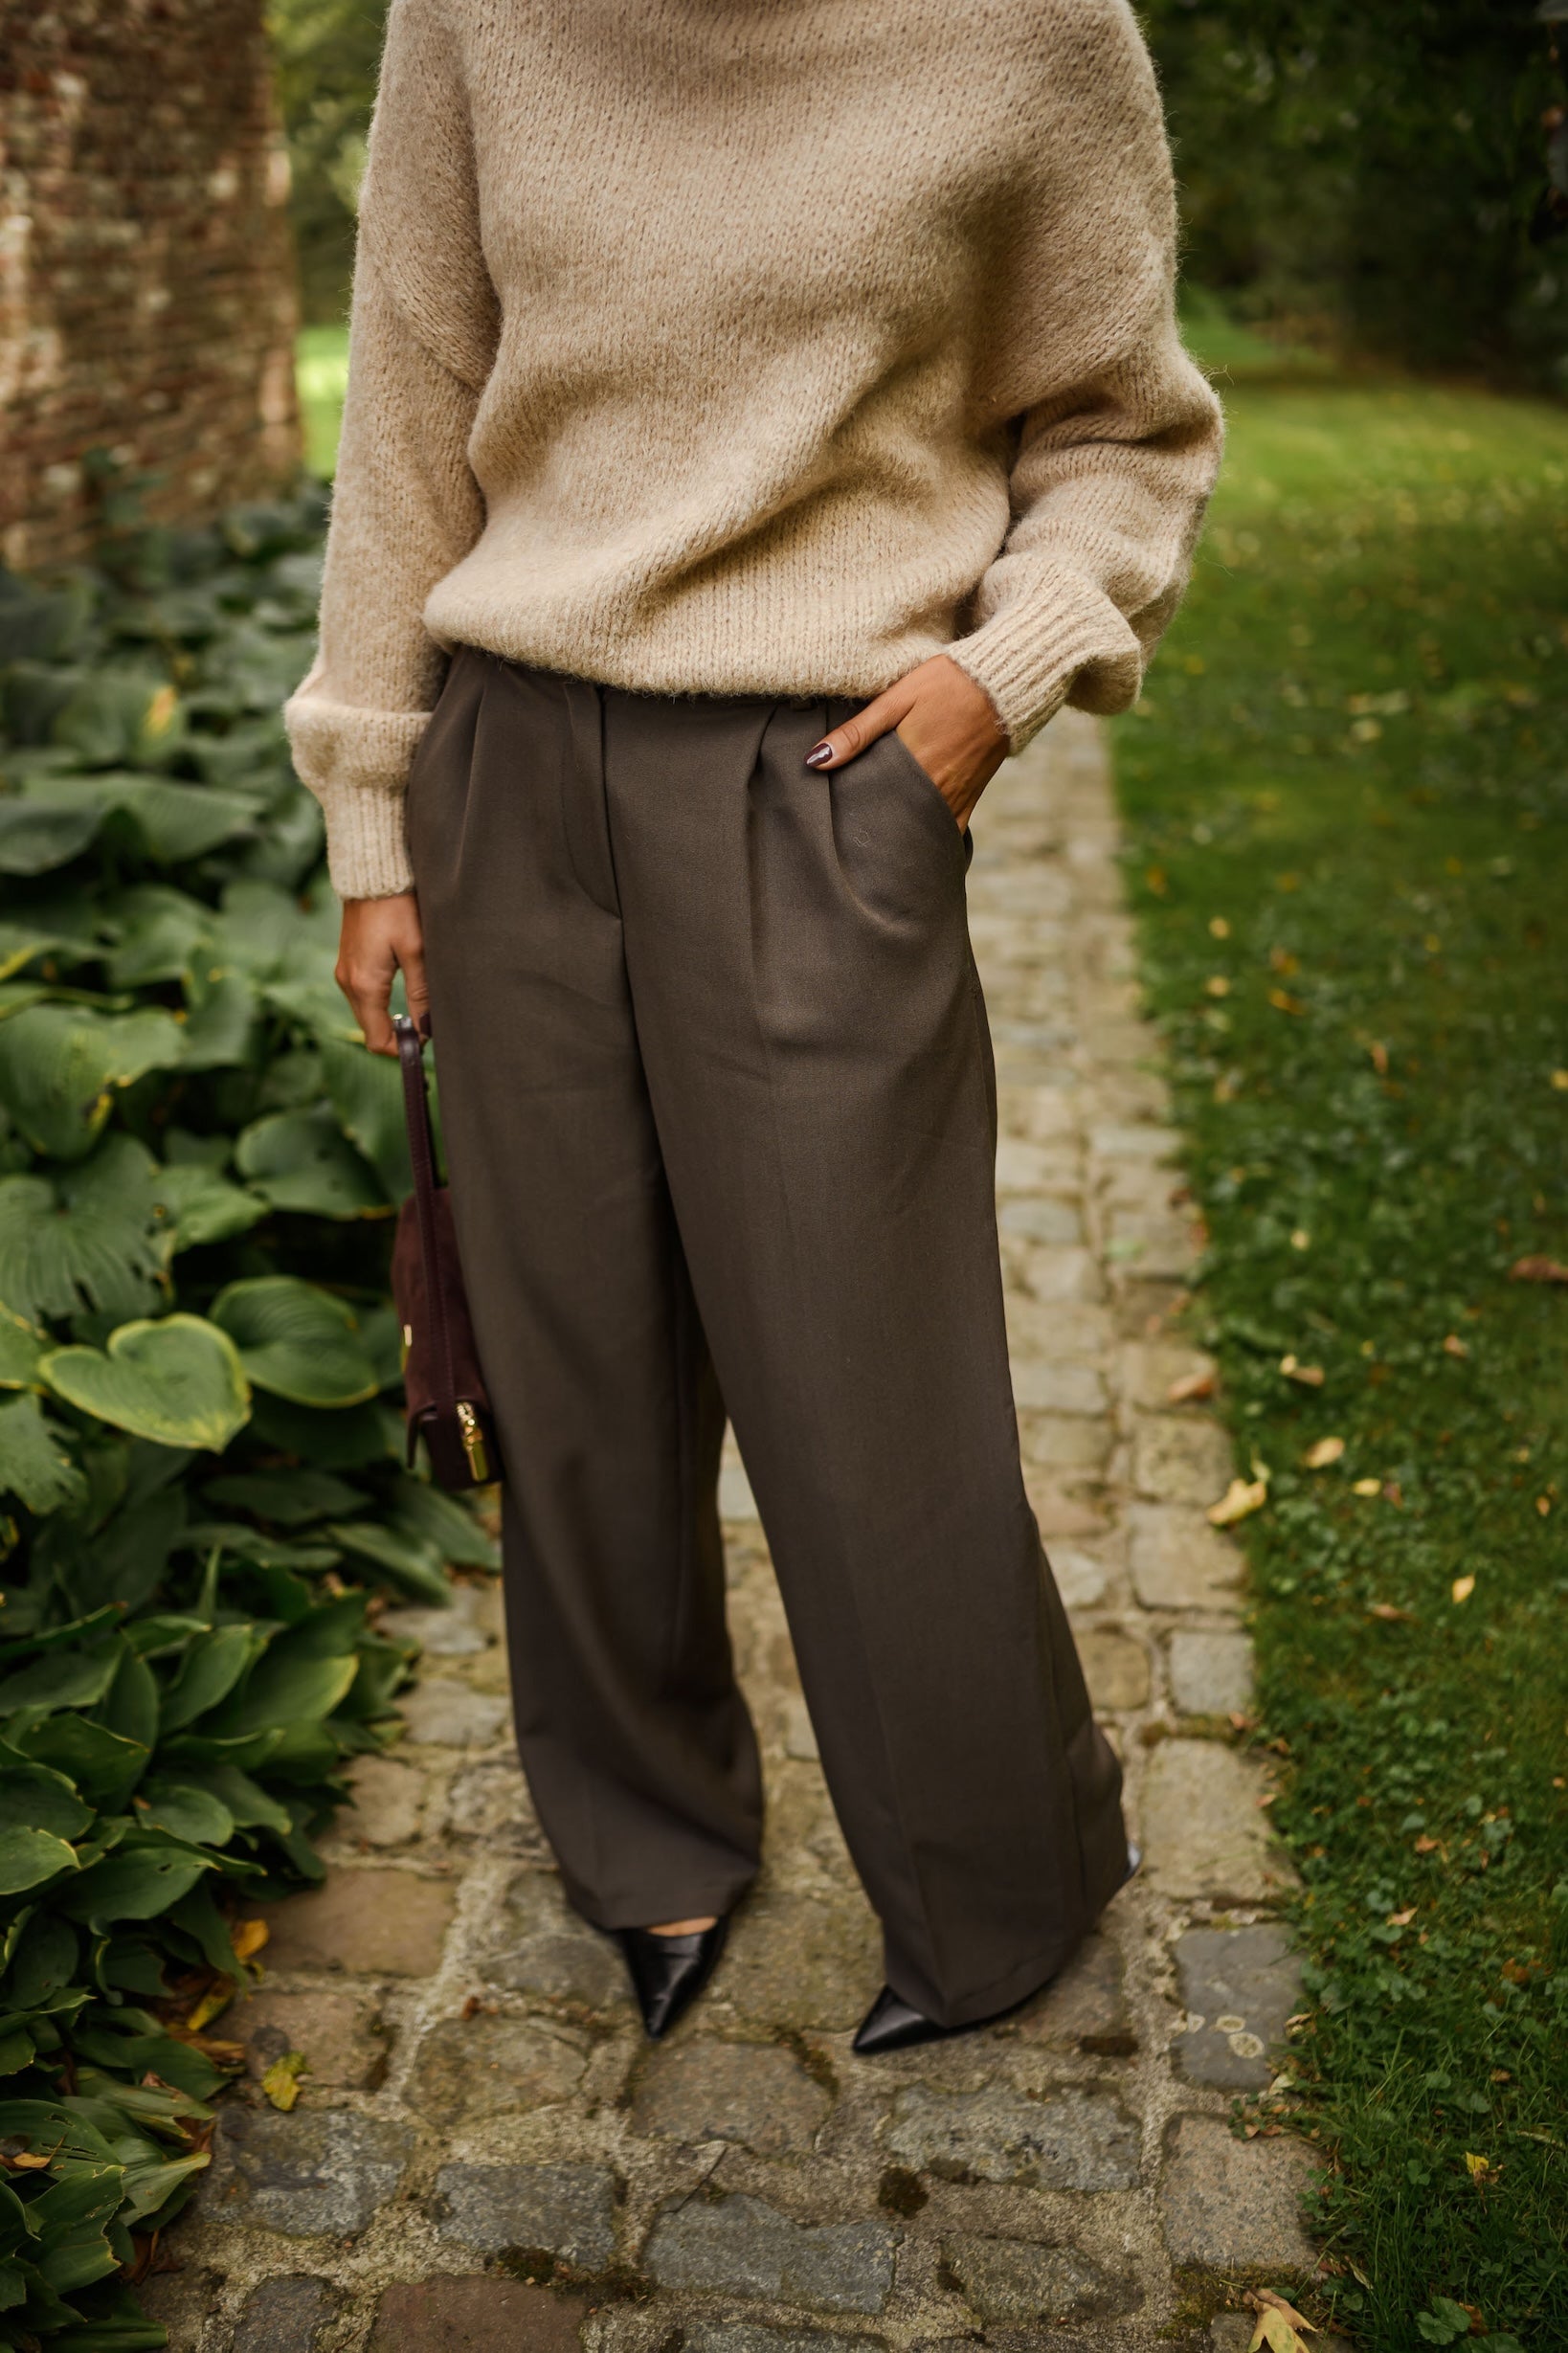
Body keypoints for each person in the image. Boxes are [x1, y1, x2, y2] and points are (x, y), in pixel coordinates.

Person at [285, 0, 1222, 2052]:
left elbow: (1125, 429)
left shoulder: (1034, 31)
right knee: (577, 1360)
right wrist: (376, 807)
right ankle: (650, 1840)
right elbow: (415, 387)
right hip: (512, 760)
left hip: (823, 778)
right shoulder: (477, 14)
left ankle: (998, 1879)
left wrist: (1013, 669)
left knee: (870, 1379)